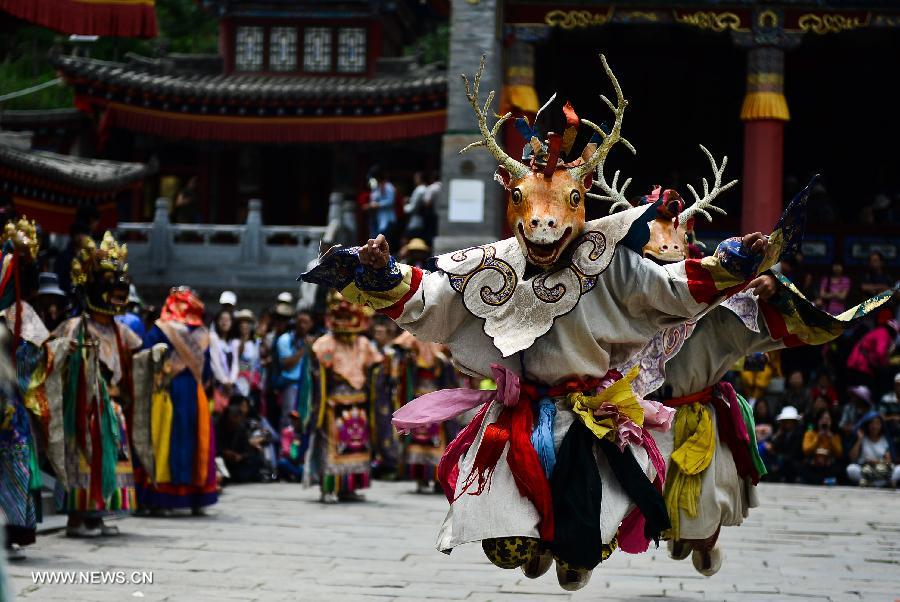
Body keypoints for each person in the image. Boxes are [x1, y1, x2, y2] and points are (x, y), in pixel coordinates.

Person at [301, 58, 806, 590]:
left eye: (564, 205)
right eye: (525, 205)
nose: (543, 226)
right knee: (503, 537)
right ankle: (539, 542)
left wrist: (733, 262)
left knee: (587, 538)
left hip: (593, 413)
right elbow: (431, 294)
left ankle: (593, 547)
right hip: (519, 412)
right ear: (513, 206)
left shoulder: (613, 261)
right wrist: (381, 274)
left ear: (580, 206)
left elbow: (676, 288)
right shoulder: (494, 262)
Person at [39, 232, 144, 537]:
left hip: (112, 407)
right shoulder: (75, 326)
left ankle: (98, 515)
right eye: (109, 280)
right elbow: (52, 357)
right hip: (83, 409)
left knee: (110, 463)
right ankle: (76, 518)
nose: (118, 288)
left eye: (121, 280)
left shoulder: (120, 330)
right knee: (82, 463)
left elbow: (134, 359)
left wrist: (152, 360)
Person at [138, 287, 218, 514]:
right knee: (197, 442)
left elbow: (146, 356)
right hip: (195, 392)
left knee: (166, 441)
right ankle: (197, 498)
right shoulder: (202, 333)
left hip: (167, 392)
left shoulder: (161, 328)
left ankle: (163, 499)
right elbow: (208, 371)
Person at [308, 293, 382, 503]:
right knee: (332, 446)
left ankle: (348, 487)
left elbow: (376, 367)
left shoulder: (364, 343)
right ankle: (328, 488)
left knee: (357, 445)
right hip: (334, 404)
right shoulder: (325, 344)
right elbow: (319, 374)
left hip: (358, 403)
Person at [0, 219, 45, 559]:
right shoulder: (22, 315)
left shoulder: (22, 315)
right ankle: (11, 533)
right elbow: (32, 366)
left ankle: (11, 532)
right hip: (11, 402)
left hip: (10, 402)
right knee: (15, 464)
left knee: (14, 464)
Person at [393, 331, 457, 492]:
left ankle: (437, 478)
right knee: (418, 439)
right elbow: (398, 358)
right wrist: (409, 361)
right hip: (418, 397)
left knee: (437, 439)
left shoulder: (443, 334)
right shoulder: (409, 337)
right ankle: (420, 478)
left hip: (437, 399)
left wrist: (444, 363)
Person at [274, 310, 314, 428]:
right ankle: (286, 445)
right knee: (289, 419)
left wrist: (313, 350)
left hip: (308, 386)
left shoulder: (314, 341)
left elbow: (323, 360)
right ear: (295, 322)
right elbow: (287, 364)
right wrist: (304, 349)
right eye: (300, 322)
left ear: (311, 324)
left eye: (305, 323)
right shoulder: (284, 339)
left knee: (305, 418)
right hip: (291, 385)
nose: (302, 326)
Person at [846, 412, 900, 487]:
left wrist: (876, 462)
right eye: (872, 424)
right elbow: (852, 458)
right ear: (867, 425)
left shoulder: (885, 440)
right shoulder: (863, 439)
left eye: (877, 423)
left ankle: (873, 484)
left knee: (898, 469)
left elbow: (889, 462)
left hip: (882, 470)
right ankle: (879, 483)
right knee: (851, 469)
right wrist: (859, 439)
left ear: (881, 425)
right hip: (865, 470)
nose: (875, 426)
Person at [216, 402, 264, 483]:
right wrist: (224, 452)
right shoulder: (218, 428)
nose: (235, 421)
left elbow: (247, 451)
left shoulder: (240, 429)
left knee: (257, 459)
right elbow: (214, 448)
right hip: (221, 460)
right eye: (233, 417)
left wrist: (240, 456)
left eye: (237, 417)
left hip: (237, 463)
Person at [846, 319, 898, 394]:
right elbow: (880, 353)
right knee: (865, 393)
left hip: (855, 363)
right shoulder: (884, 333)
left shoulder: (879, 331)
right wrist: (888, 362)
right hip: (861, 366)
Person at [800, 409, 842, 485]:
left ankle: (820, 480)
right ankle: (824, 481)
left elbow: (839, 453)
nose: (825, 421)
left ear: (831, 422)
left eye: (827, 419)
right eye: (822, 418)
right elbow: (805, 450)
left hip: (828, 466)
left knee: (839, 468)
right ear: (818, 421)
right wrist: (817, 439)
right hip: (813, 465)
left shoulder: (835, 436)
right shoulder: (810, 433)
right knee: (802, 468)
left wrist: (831, 440)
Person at [209, 309, 239, 414]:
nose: (224, 322)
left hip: (230, 387)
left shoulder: (234, 342)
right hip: (218, 385)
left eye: (228, 319)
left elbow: (236, 363)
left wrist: (232, 381)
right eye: (222, 319)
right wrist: (224, 381)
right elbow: (215, 362)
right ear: (217, 322)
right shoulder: (213, 338)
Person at [767, 406, 804, 483]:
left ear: (794, 422)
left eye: (789, 421)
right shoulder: (781, 434)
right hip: (781, 463)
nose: (787, 423)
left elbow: (793, 454)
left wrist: (780, 459)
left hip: (794, 465)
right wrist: (776, 436)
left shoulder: (799, 435)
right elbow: (773, 447)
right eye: (785, 421)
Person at [234, 309, 262, 403]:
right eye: (242, 323)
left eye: (247, 322)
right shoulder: (234, 342)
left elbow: (257, 362)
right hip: (238, 383)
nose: (244, 325)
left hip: (253, 384)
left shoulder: (255, 343)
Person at [367, 168, 397, 242]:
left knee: (384, 241)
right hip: (378, 218)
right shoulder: (377, 187)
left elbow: (390, 201)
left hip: (387, 219)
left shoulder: (388, 186)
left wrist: (377, 204)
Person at [404, 172, 430, 241]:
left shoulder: (420, 190)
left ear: (420, 179)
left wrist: (403, 208)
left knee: (407, 239)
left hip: (416, 220)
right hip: (422, 220)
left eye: (416, 178)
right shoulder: (426, 188)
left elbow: (413, 207)